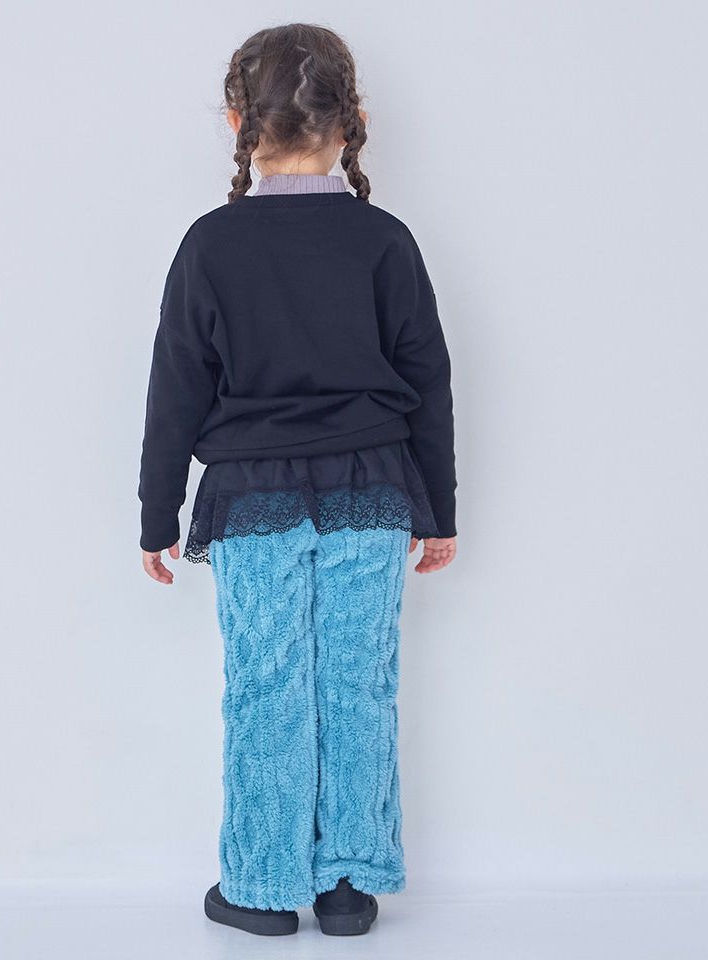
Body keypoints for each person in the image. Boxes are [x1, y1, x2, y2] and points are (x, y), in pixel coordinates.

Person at [138, 22, 457, 937]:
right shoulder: (385, 241)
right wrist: (437, 510)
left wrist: (158, 515)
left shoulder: (210, 245)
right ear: (354, 123)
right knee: (357, 682)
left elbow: (175, 389)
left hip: (253, 503)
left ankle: (262, 886)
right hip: (373, 493)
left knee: (266, 685)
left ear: (237, 120)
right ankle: (348, 887)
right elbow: (429, 380)